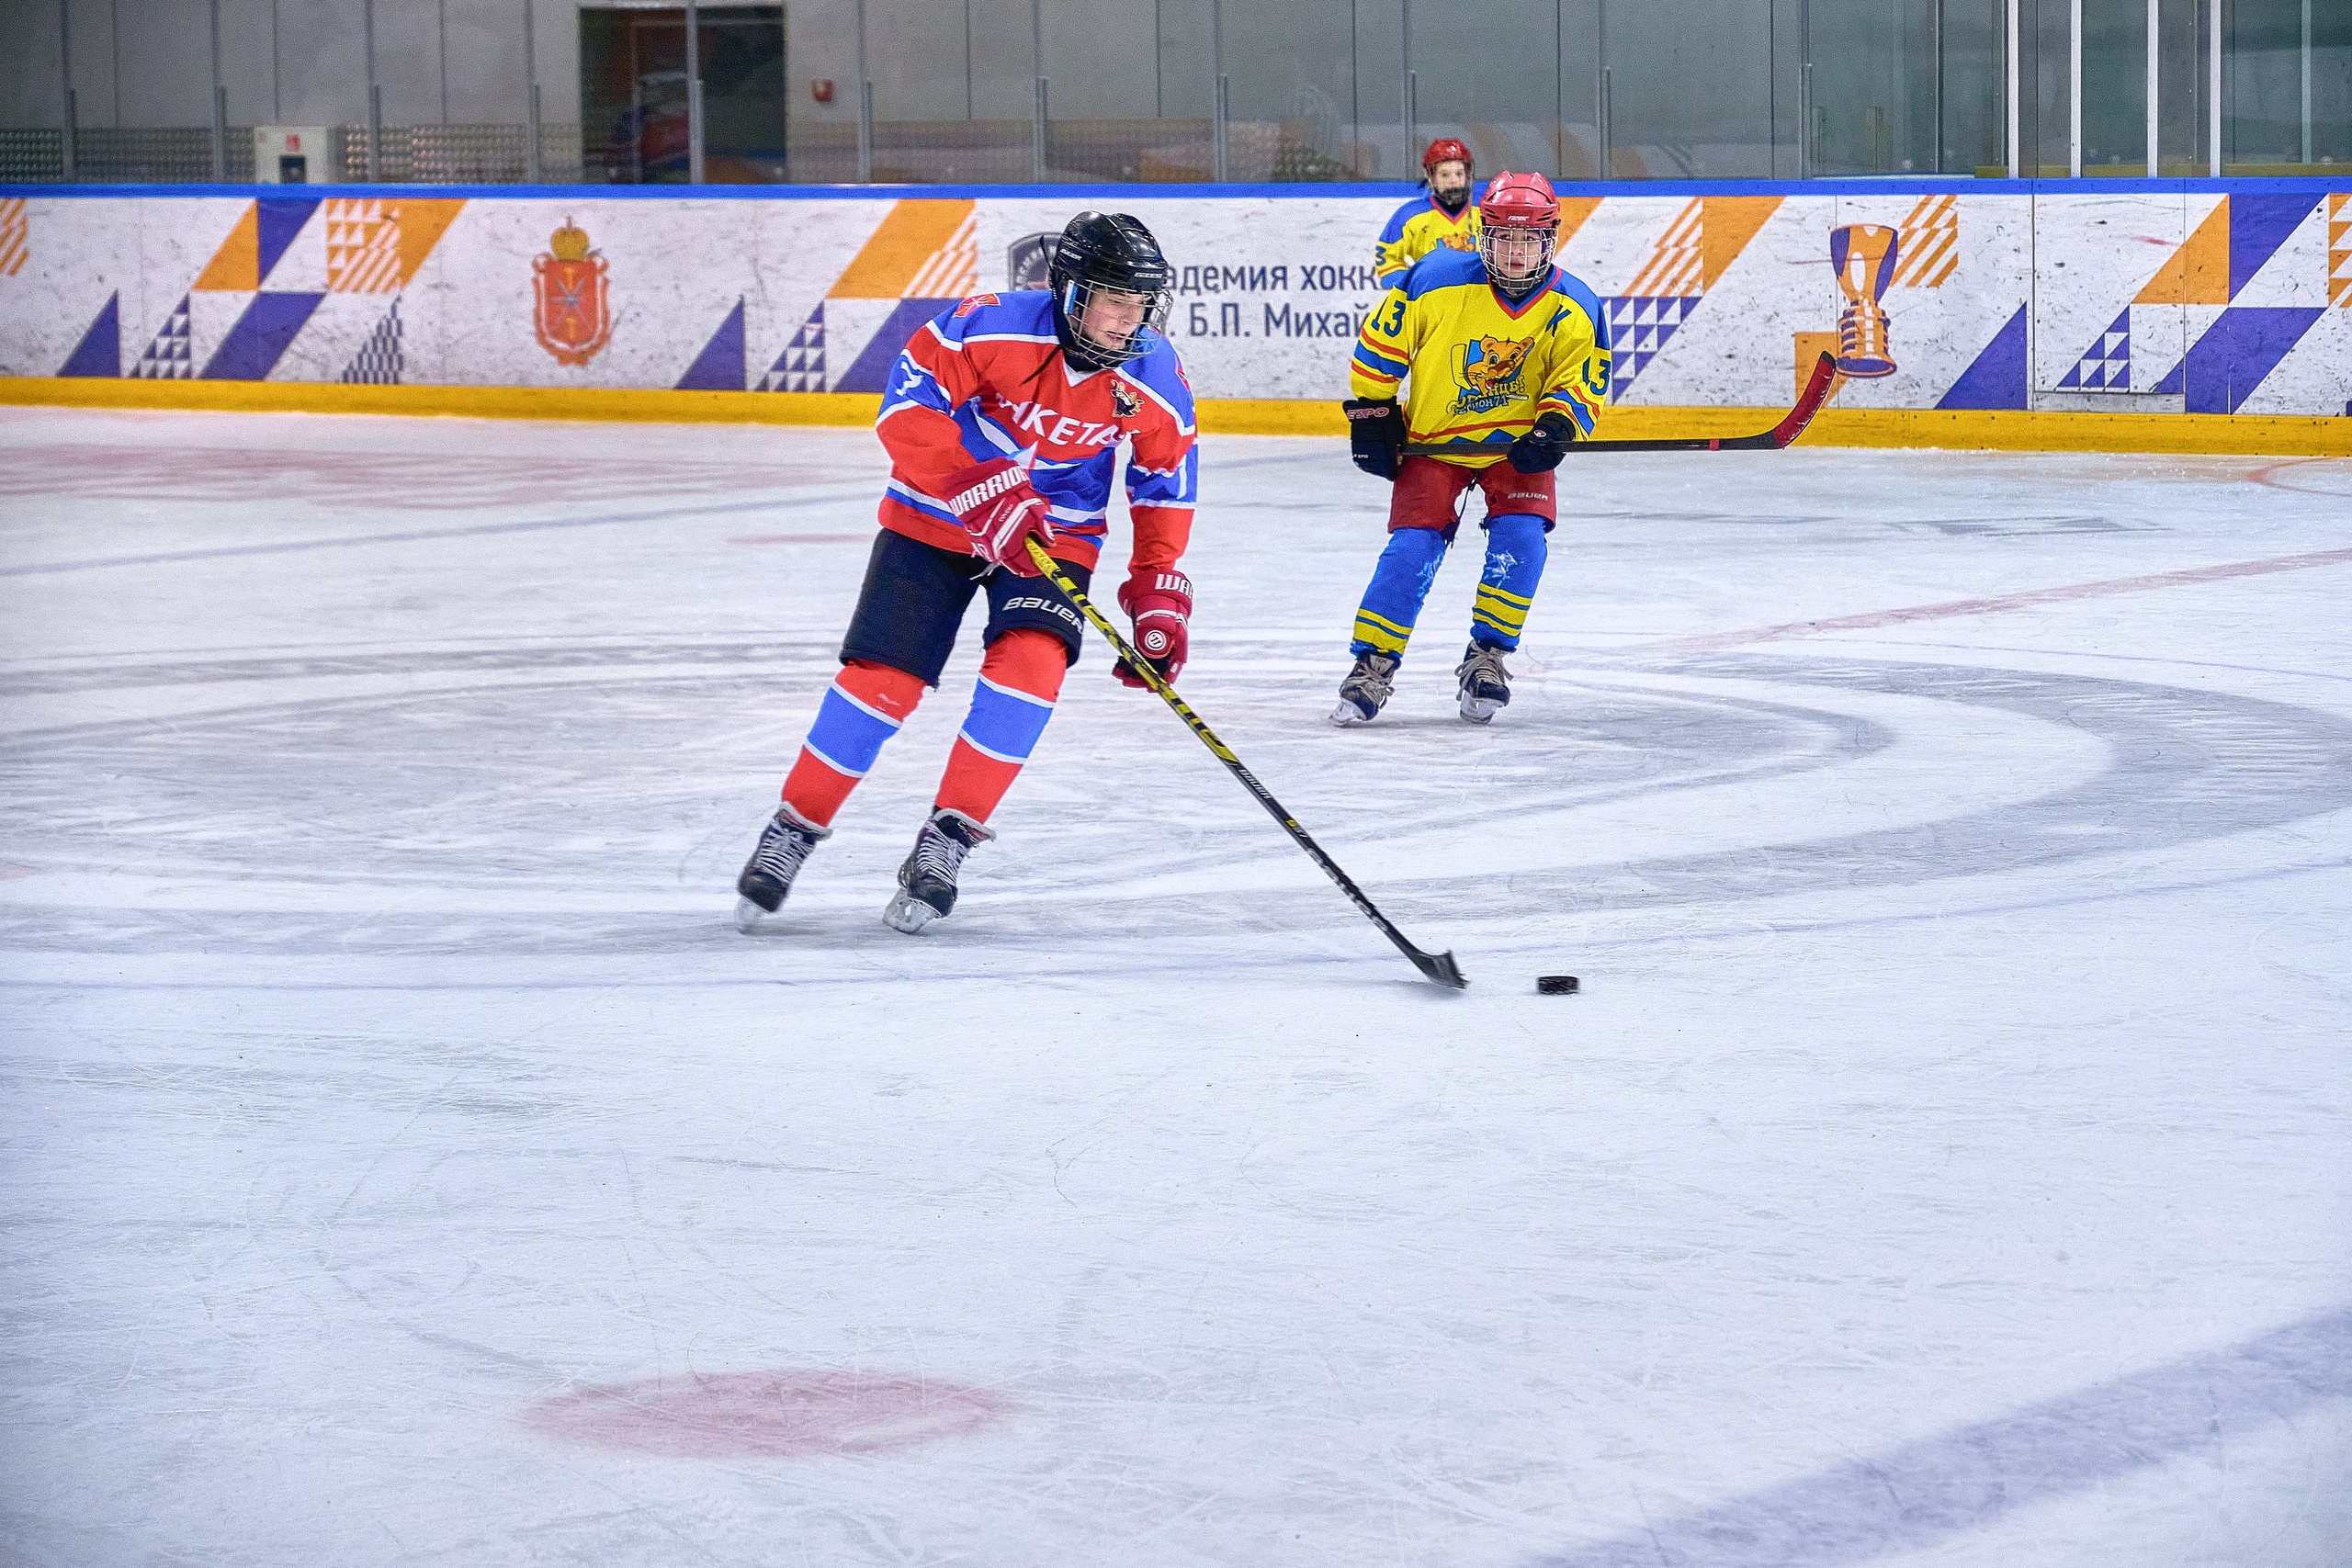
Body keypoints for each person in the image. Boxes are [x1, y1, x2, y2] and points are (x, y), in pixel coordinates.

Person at [734, 212, 1199, 935]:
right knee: (883, 681)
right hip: (934, 517)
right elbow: (906, 408)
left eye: (1141, 304)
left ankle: (949, 836)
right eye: (1113, 300)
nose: (1128, 321)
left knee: (1033, 668)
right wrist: (975, 481)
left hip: (1054, 537)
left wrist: (1157, 589)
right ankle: (796, 824)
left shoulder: (1155, 375)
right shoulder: (988, 326)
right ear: (1071, 293)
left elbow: (1164, 479)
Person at [1333, 170, 1609, 727]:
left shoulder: (1575, 304)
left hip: (1514, 449)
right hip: (1435, 443)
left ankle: (1487, 656)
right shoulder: (1431, 280)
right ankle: (1374, 664)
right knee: (1412, 548)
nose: (1513, 252)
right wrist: (1373, 413)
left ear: (1548, 239)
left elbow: (1582, 377)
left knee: (1523, 541)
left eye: (1527, 240)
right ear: (1484, 235)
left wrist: (1558, 425)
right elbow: (1379, 347)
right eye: (1503, 238)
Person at [1372, 138, 1483, 289]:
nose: (1454, 181)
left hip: (1476, 299)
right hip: (1431, 300)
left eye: (1459, 174)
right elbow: (1386, 257)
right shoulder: (1410, 215)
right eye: (1445, 175)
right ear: (1432, 178)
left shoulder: (1485, 212)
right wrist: (1412, 286)